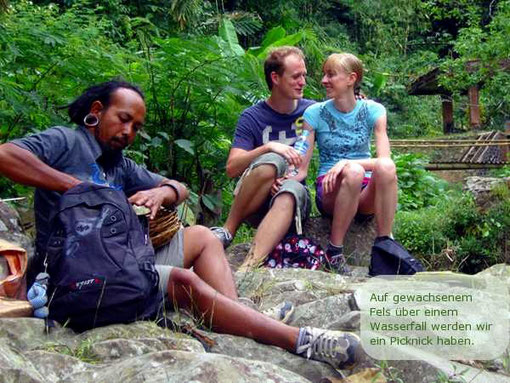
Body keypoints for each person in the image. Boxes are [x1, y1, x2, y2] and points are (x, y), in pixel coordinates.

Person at [0, 80, 361, 370]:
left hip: (118, 265)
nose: (129, 132)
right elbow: (6, 154)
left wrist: (163, 193)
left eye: (136, 127)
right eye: (123, 119)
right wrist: (75, 186)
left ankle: (239, 314)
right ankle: (298, 339)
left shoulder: (120, 165)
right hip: (73, 278)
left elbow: (180, 187)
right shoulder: (66, 141)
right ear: (97, 111)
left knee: (203, 236)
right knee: (183, 282)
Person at [211, 46, 315, 270]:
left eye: (304, 75)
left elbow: (346, 114)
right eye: (296, 76)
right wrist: (268, 147)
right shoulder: (252, 117)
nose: (303, 82)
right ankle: (229, 230)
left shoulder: (313, 112)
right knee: (273, 161)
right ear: (275, 78)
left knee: (290, 190)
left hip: (293, 200)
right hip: (256, 201)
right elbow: (232, 168)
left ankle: (247, 269)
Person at [303, 53, 398, 273]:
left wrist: (346, 161)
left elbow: (385, 161)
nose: (324, 81)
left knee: (385, 168)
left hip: (364, 192)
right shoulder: (313, 114)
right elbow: (301, 165)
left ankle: (385, 247)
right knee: (354, 172)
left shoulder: (374, 111)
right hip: (330, 190)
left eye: (331, 75)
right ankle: (334, 253)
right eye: (324, 75)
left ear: (351, 79)